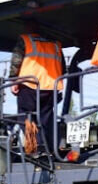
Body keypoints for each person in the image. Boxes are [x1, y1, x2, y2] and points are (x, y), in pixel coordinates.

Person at [10, 23, 66, 155]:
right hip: (51, 87)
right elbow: (63, 67)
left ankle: (35, 147)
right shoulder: (56, 44)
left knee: (26, 116)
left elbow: (16, 61)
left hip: (29, 85)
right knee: (46, 117)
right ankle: (50, 148)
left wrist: (13, 80)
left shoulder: (25, 40)